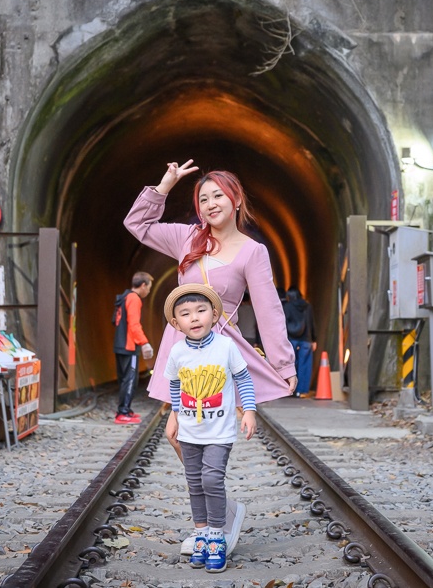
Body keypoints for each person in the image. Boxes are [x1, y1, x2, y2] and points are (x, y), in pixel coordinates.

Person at [124, 159, 298, 556]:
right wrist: (164, 185)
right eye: (203, 199)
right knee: (176, 435)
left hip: (218, 356)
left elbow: (269, 309)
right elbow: (137, 224)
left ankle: (215, 522)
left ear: (236, 200)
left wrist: (283, 363)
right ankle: (219, 517)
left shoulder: (253, 252)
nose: (210, 204)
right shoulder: (187, 238)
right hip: (182, 350)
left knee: (196, 437)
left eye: (218, 195)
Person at [163, 283, 256, 573]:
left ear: (214, 315)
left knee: (211, 480)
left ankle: (217, 535)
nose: (194, 317)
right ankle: (201, 532)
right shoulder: (177, 352)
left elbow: (243, 378)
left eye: (201, 311)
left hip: (219, 432)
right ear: (176, 323)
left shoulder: (226, 347)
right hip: (190, 432)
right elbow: (175, 384)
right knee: (194, 483)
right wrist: (174, 414)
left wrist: (249, 410)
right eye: (185, 313)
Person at [112, 271, 155, 424]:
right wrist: (144, 343)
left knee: (124, 379)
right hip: (129, 346)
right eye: (149, 287)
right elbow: (134, 324)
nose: (148, 291)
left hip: (119, 344)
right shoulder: (134, 299)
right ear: (143, 285)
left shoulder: (124, 297)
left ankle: (125, 410)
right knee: (130, 379)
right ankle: (123, 413)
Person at [283, 286, 317, 396]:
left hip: (291, 339)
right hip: (306, 340)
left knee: (290, 364)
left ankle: (289, 389)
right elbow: (311, 322)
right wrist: (314, 339)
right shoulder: (308, 306)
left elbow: (283, 324)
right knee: (305, 365)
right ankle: (301, 391)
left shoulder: (287, 307)